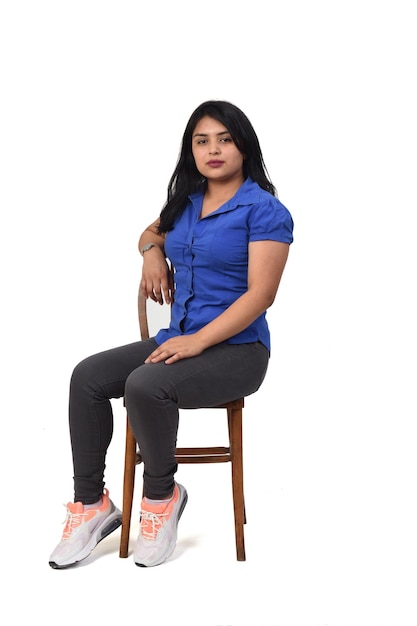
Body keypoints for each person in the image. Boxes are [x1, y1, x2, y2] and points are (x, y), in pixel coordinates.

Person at [49, 100, 294, 569]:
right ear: (191, 151)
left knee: (147, 382)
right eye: (202, 141)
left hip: (237, 351)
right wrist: (150, 251)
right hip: (179, 337)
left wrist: (197, 342)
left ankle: (162, 497)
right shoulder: (186, 202)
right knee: (88, 376)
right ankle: (92, 505)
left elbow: (261, 295)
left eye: (224, 139)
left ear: (244, 145)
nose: (213, 149)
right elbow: (151, 230)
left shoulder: (265, 210)